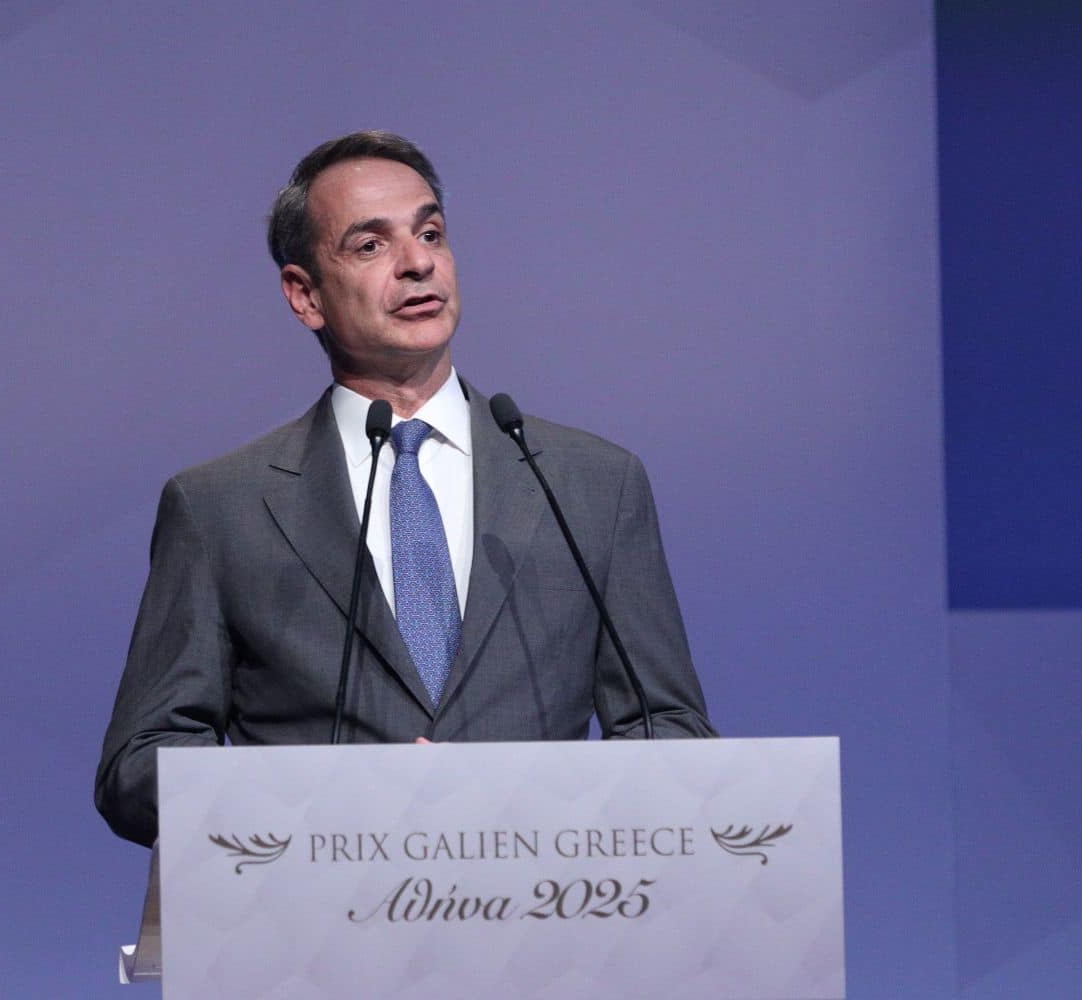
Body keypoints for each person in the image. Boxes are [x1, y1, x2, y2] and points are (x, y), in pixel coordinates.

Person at [95, 131, 714, 848]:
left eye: (430, 233)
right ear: (305, 295)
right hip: (320, 908)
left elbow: (669, 730)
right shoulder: (220, 508)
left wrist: (531, 805)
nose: (418, 262)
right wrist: (329, 804)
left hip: (544, 901)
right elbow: (139, 768)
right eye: (370, 245)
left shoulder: (593, 484)